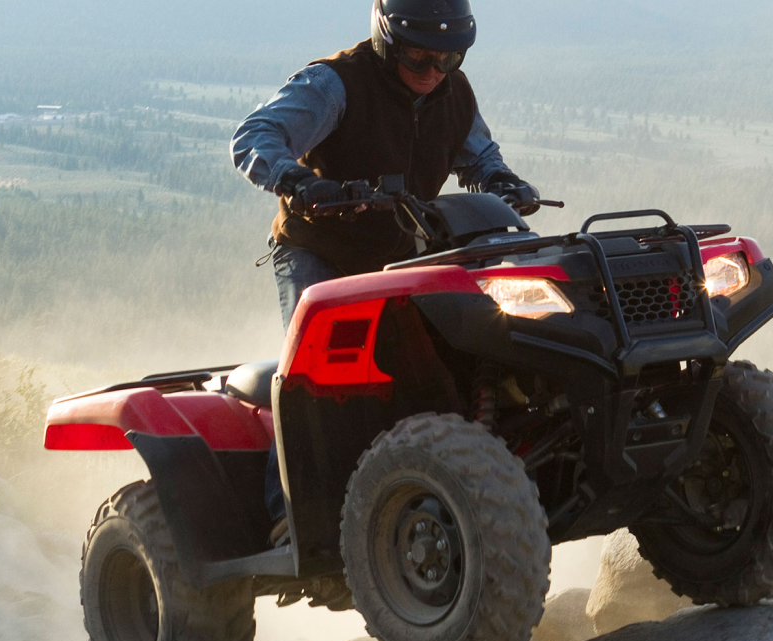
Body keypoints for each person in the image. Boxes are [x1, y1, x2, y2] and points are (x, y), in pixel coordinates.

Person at [231, 0, 542, 539]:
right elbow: (253, 136)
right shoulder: (334, 85)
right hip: (318, 250)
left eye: (448, 59)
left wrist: (503, 182)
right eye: (419, 58)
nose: (432, 73)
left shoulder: (453, 93)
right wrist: (300, 182)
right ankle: (288, 513)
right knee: (317, 369)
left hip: (401, 257)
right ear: (385, 40)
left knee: (453, 358)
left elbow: (481, 156)